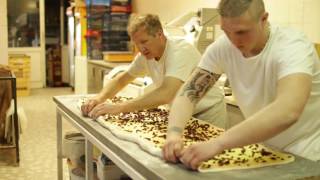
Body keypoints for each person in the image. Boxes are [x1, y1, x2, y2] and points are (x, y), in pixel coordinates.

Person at [162, 0, 320, 170]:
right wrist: (174, 132)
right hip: (265, 151)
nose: (233, 40)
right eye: (226, 31)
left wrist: (218, 143)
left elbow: (288, 111)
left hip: (308, 154)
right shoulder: (222, 47)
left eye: (241, 32)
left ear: (264, 19)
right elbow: (189, 93)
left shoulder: (292, 46)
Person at [81, 14, 227, 128]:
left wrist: (120, 108)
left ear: (159, 34)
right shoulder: (146, 56)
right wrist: (99, 98)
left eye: (144, 42)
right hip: (183, 113)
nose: (140, 48)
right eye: (136, 43)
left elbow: (166, 93)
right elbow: (122, 79)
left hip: (207, 112)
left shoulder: (180, 51)